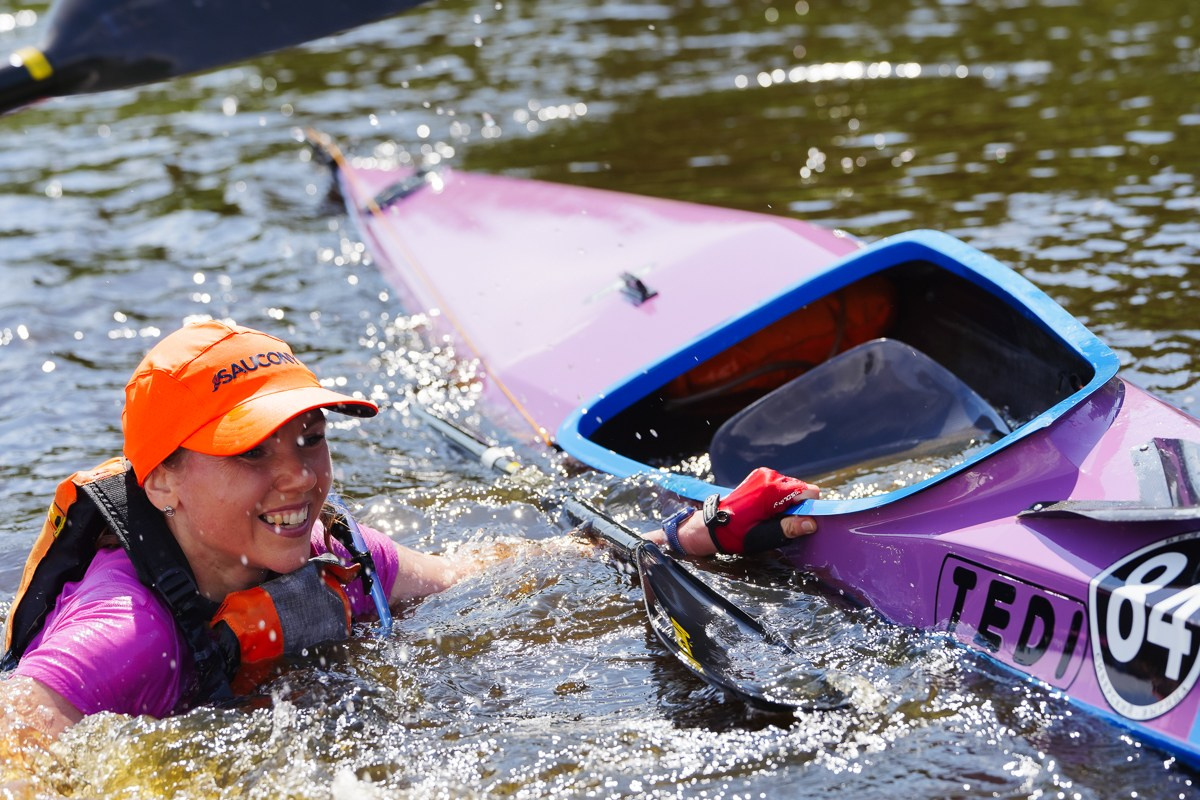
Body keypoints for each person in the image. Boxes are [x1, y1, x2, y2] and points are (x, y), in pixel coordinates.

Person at [0, 319, 818, 767]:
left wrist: (682, 538)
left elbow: (481, 574)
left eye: (309, 438)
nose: (297, 479)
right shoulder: (124, 634)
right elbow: (17, 734)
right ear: (162, 484)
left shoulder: (329, 558)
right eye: (251, 451)